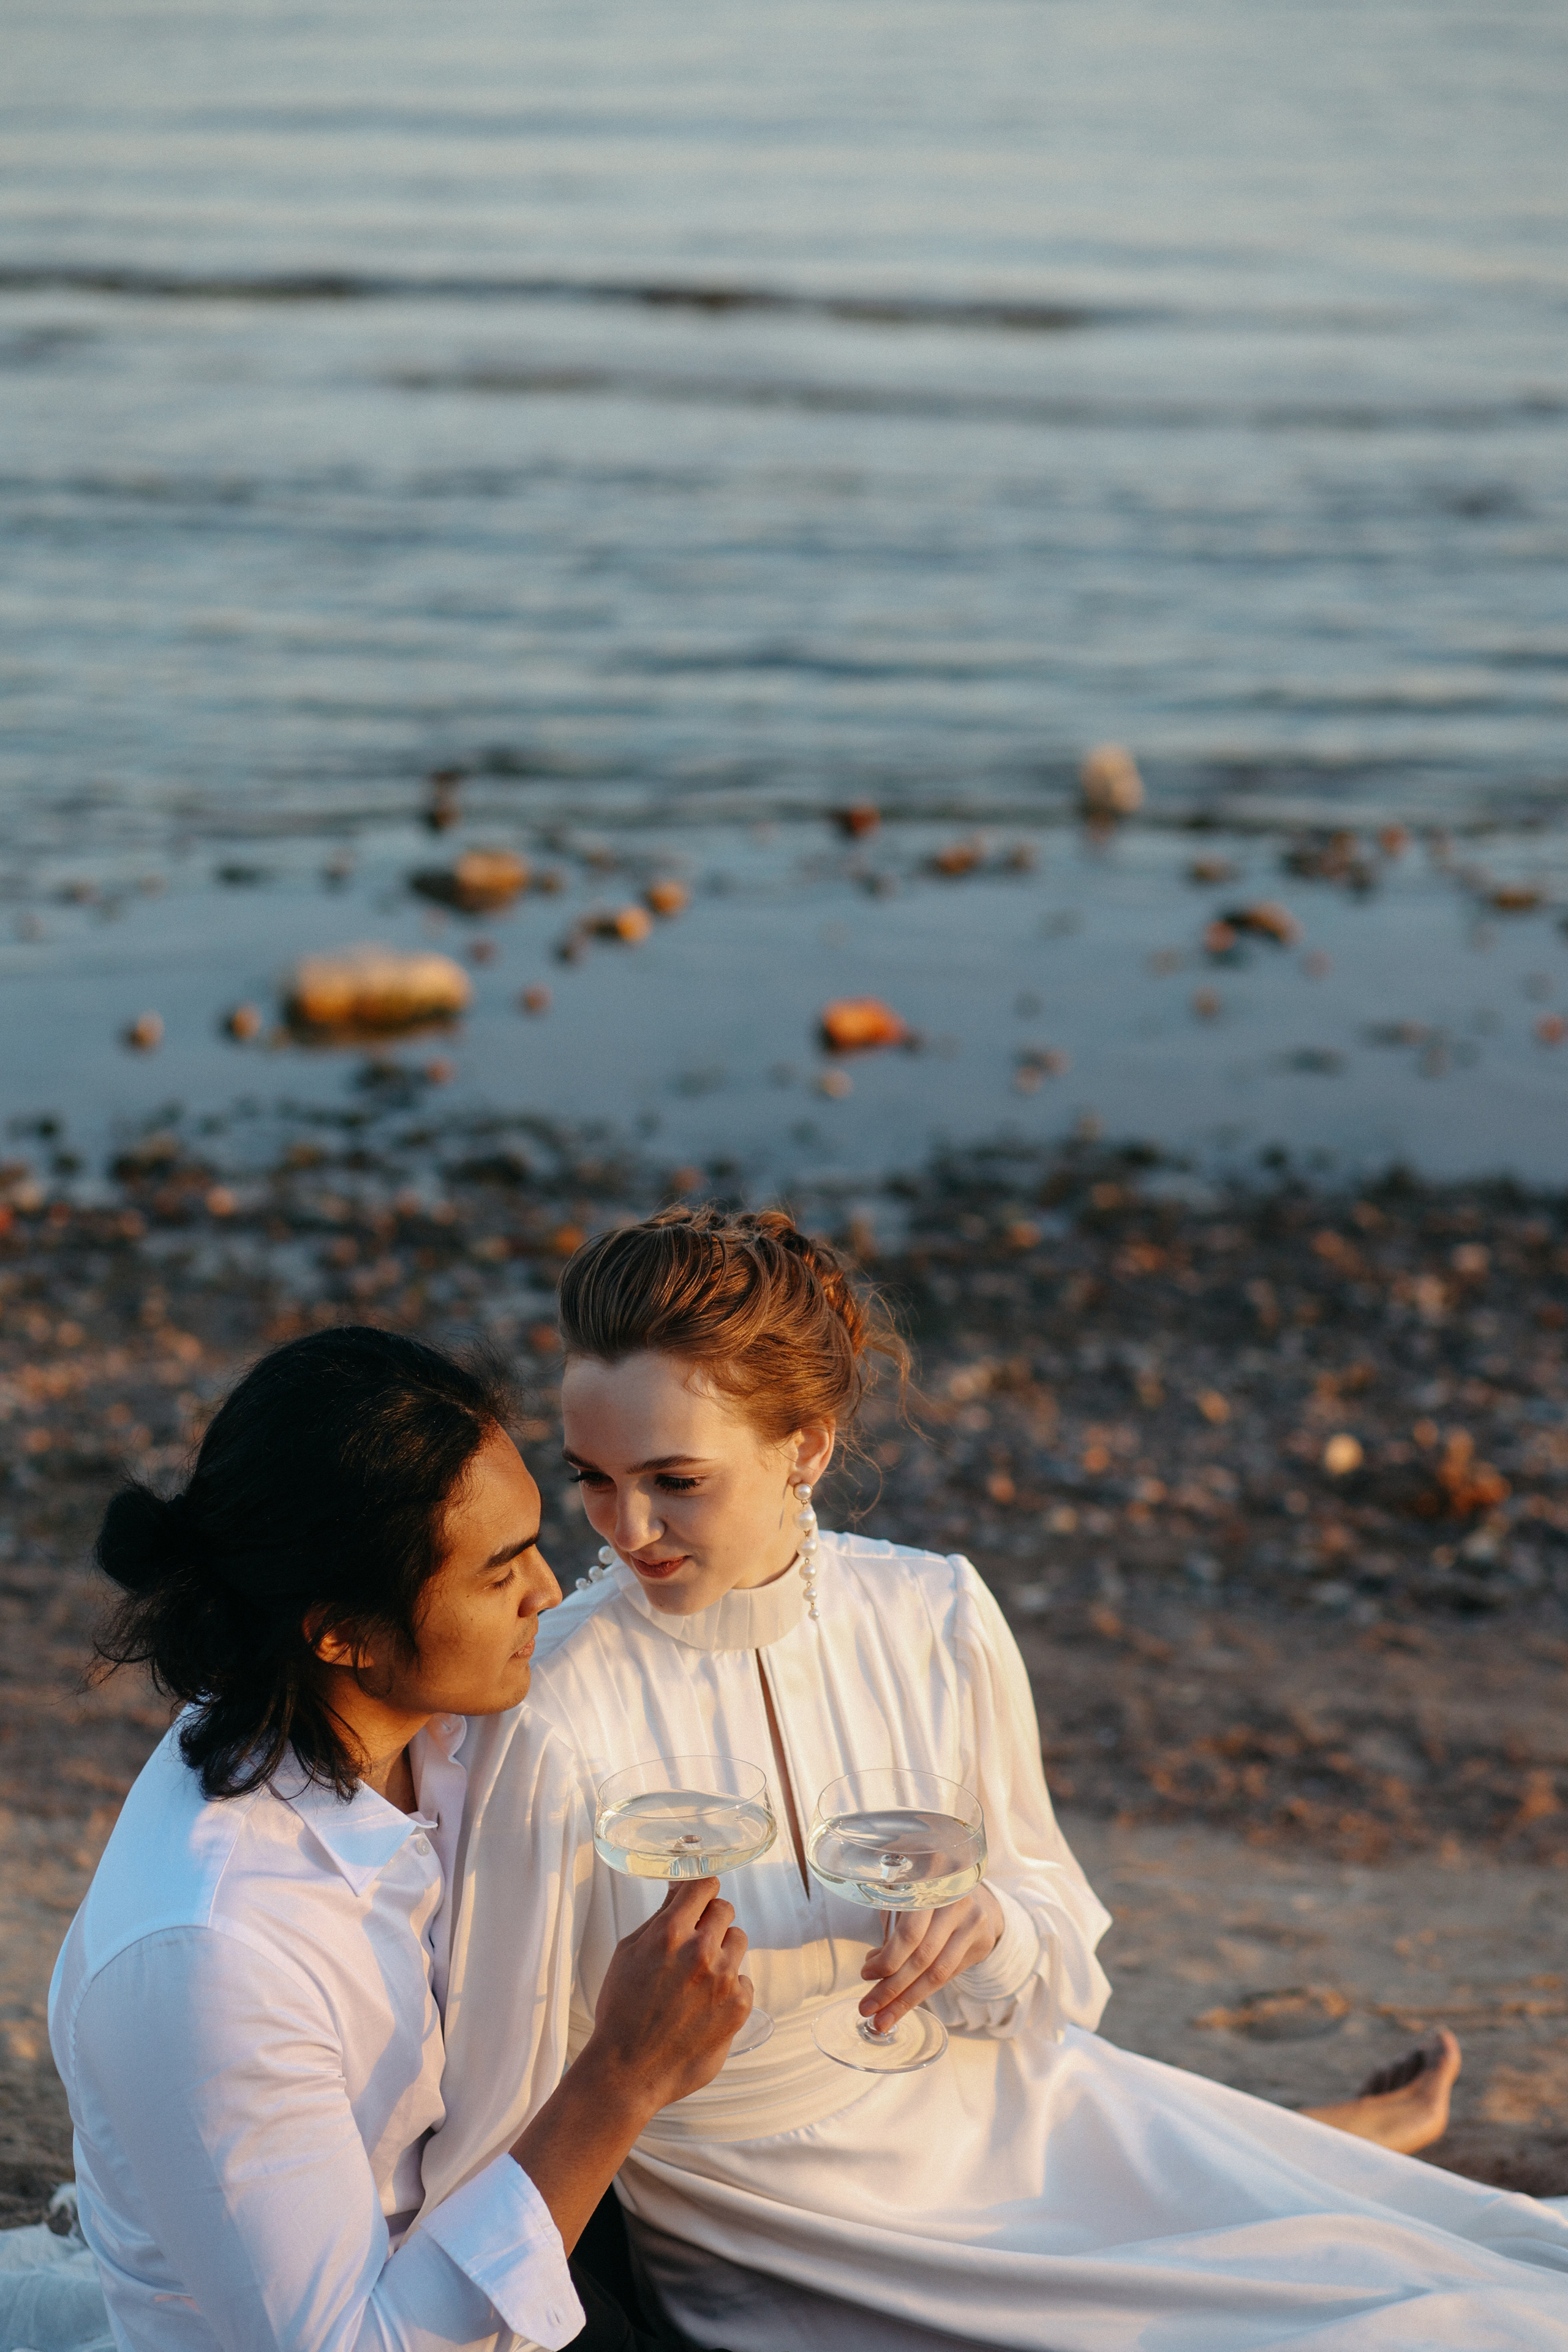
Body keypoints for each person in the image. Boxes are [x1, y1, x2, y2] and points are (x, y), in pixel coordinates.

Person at [428, 1208, 1568, 2352]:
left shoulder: (936, 1616)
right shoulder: (553, 1706)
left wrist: (989, 1928)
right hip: (795, 2226)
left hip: (1023, 2107)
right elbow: (506, 2083)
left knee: (1454, 2284)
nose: (632, 1529)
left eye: (676, 1480)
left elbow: (1062, 1976)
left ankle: (1313, 2145)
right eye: (593, 1480)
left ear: (806, 1449)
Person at [42, 1325, 752, 2352]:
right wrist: (623, 2078)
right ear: (342, 1633)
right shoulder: (210, 1957)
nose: (547, 1590)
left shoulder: (433, 1727)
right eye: (499, 1570)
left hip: (500, 2249)